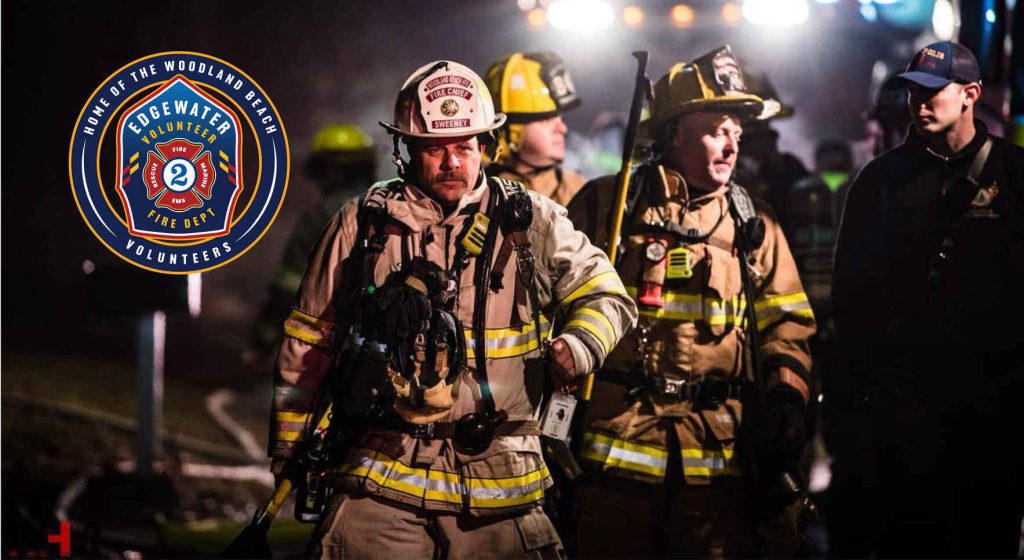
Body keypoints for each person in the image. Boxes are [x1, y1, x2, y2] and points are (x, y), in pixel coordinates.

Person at [268, 59, 637, 559]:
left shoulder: (531, 221)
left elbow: (607, 296)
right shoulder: (363, 226)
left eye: (464, 147)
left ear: (486, 147)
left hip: (500, 482)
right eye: (434, 148)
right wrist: (290, 450)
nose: (451, 163)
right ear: (406, 150)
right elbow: (308, 343)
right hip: (381, 475)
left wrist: (581, 344)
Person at [567, 46, 816, 559]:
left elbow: (787, 326)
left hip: (716, 463)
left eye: (737, 134)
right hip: (615, 460)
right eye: (718, 131)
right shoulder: (607, 206)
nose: (732, 146)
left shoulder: (755, 225)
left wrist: (787, 400)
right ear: (675, 133)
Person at [829, 41, 1024, 558]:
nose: (919, 103)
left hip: (995, 418)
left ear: (971, 94)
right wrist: (858, 406)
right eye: (914, 92)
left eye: (933, 92)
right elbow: (850, 297)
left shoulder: (1015, 175)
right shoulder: (879, 182)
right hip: (905, 418)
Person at [249, 124, 376, 367]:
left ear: (327, 171)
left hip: (329, 340)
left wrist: (263, 338)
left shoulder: (320, 215)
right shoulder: (396, 207)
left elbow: (291, 281)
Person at [484, 51, 587, 206]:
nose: (562, 128)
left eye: (559, 118)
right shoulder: (477, 194)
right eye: (546, 120)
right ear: (511, 131)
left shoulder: (583, 193)